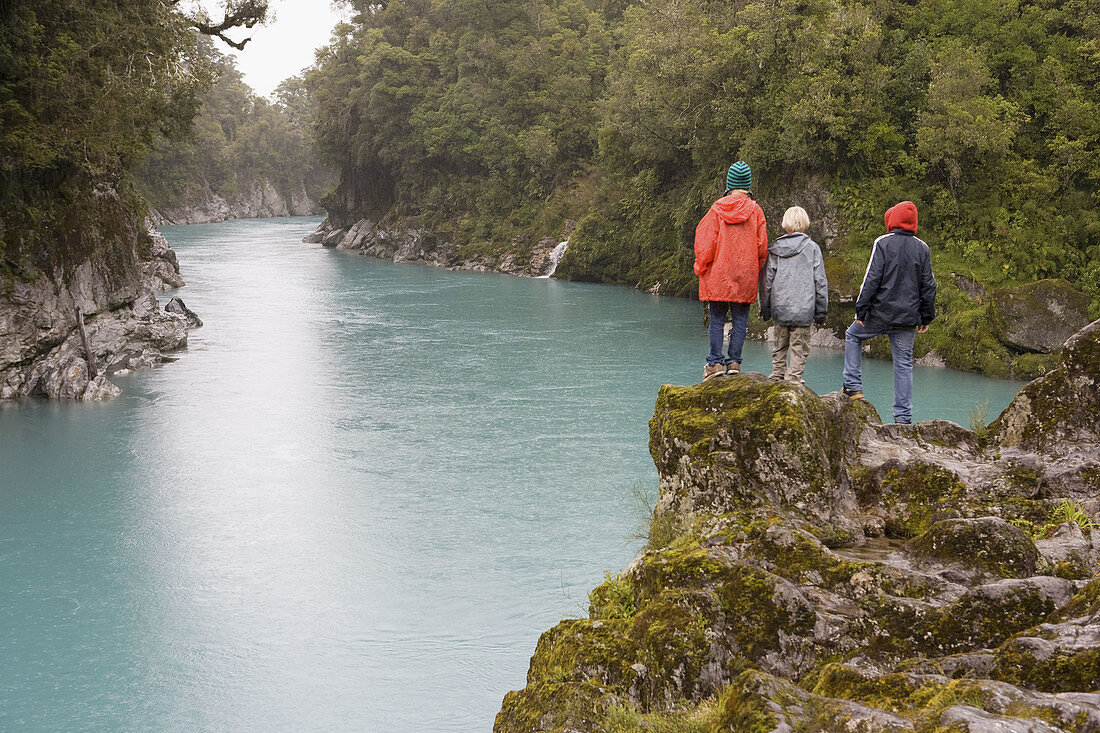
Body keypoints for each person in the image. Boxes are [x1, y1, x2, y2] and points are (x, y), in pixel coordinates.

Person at [842, 200, 936, 424]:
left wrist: (861, 311)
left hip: (879, 313)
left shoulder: (883, 243)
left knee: (853, 335)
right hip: (907, 318)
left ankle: (853, 386)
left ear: (893, 220)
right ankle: (903, 419)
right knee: (903, 364)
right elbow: (929, 285)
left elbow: (871, 279)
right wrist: (926, 316)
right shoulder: (922, 248)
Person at [693, 161, 768, 380]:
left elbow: (705, 243)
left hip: (719, 274)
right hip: (745, 273)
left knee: (716, 318)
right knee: (740, 319)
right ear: (747, 184)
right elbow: (762, 247)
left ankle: (714, 363)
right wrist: (754, 268)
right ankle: (734, 362)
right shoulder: (756, 211)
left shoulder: (717, 209)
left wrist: (701, 266)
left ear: (729, 183)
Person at [758, 206, 828, 384]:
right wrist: (821, 312)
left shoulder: (775, 249)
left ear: (785, 223)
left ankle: (777, 375)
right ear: (805, 223)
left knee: (779, 345)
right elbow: (820, 282)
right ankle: (794, 379)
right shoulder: (813, 248)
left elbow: (766, 282)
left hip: (780, 308)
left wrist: (765, 309)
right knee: (799, 348)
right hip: (804, 309)